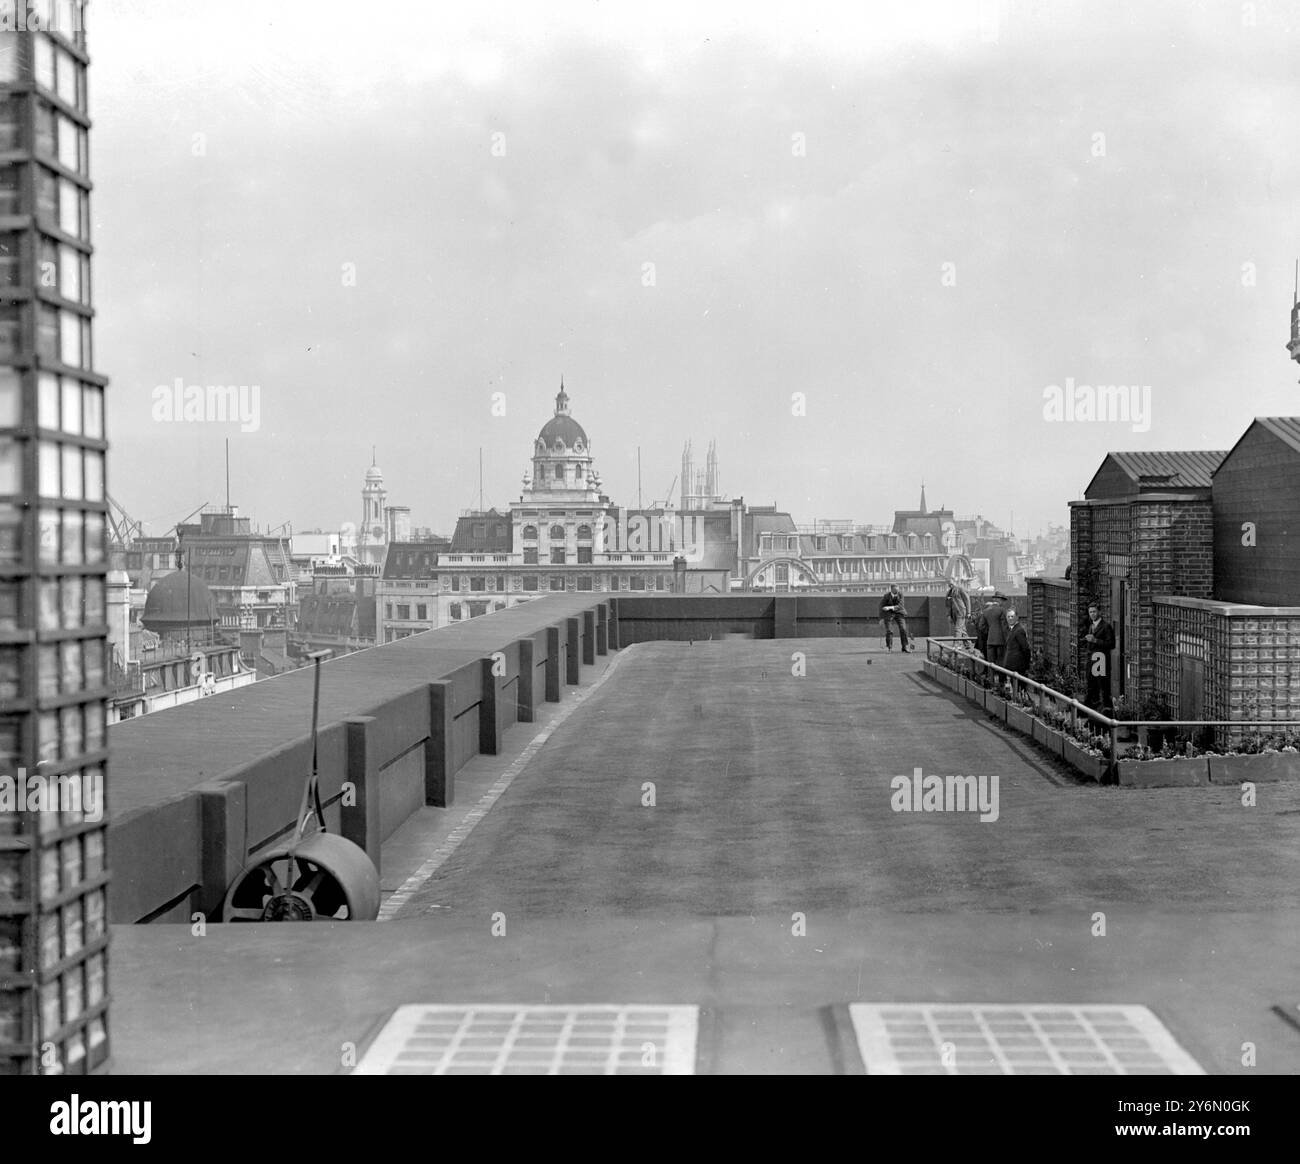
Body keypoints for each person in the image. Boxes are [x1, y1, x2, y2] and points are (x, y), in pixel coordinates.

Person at [1081, 601, 1116, 713]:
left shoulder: (1106, 627)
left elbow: (1111, 644)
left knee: (1104, 687)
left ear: (1099, 612)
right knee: (1092, 686)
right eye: (1090, 612)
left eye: (1094, 611)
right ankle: (1091, 711)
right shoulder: (1091, 626)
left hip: (1101, 661)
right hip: (1093, 661)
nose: (1092, 614)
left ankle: (1107, 710)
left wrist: (1095, 640)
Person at [977, 595, 1008, 665]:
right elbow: (1004, 626)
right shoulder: (1002, 610)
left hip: (990, 640)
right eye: (1003, 601)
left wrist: (990, 632)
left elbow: (981, 626)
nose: (1004, 603)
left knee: (990, 664)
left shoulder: (986, 611)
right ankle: (1001, 676)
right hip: (1001, 641)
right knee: (1001, 662)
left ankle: (991, 676)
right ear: (1000, 600)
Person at [879, 583, 911, 652]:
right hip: (889, 614)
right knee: (889, 630)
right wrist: (881, 619)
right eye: (895, 590)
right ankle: (889, 648)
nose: (897, 592)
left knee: (903, 629)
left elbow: (900, 606)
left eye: (898, 590)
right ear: (891, 590)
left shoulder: (900, 594)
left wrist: (889, 607)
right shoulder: (886, 596)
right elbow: (881, 607)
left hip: (899, 612)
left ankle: (904, 647)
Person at [1003, 608, 1031, 677]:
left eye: (1012, 616)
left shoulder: (1019, 630)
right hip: (1011, 665)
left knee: (1018, 685)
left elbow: (1025, 648)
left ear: (1017, 617)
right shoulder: (1011, 629)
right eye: (1008, 617)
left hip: (1017, 665)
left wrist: (1026, 664)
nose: (1010, 618)